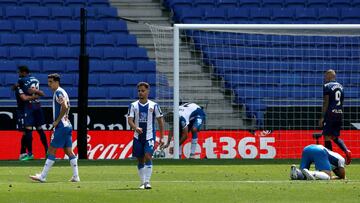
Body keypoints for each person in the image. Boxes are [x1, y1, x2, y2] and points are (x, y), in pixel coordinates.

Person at [30, 73, 79, 183]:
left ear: (57, 82)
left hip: (61, 126)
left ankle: (42, 176)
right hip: (68, 125)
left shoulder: (58, 92)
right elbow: (67, 106)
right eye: (48, 82)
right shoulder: (63, 91)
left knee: (51, 150)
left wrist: (57, 120)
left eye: (51, 82)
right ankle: (76, 176)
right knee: (69, 151)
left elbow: (65, 107)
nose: (49, 84)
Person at [127, 82, 164, 190]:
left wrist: (161, 137)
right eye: (139, 91)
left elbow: (160, 121)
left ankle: (147, 182)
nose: (140, 93)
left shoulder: (154, 105)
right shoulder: (133, 105)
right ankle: (142, 183)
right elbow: (130, 120)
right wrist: (136, 128)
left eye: (143, 91)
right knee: (140, 160)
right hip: (137, 137)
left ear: (148, 91)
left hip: (149, 136)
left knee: (148, 156)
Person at [13, 66, 48, 161]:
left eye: (19, 72)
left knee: (27, 131)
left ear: (24, 72)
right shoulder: (35, 79)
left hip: (27, 108)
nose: (18, 74)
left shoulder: (22, 80)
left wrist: (16, 86)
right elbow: (41, 93)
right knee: (40, 129)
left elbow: (23, 96)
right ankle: (47, 152)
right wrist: (37, 94)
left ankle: (29, 154)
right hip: (37, 106)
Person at [319, 69, 351, 165]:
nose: (325, 78)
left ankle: (330, 160)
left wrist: (322, 117)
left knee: (326, 137)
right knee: (334, 136)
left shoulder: (327, 86)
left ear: (329, 76)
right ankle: (346, 150)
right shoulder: (341, 87)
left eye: (326, 76)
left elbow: (326, 102)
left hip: (330, 114)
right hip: (339, 113)